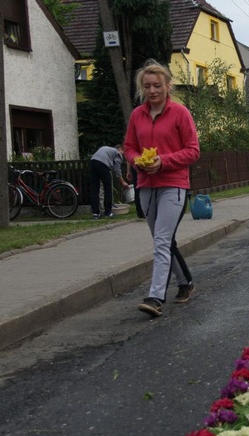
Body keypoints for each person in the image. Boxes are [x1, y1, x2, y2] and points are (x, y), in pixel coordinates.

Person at [123, 59, 200, 317]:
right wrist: (137, 161)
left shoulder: (180, 113)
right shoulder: (137, 115)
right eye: (147, 86)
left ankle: (155, 296)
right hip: (146, 185)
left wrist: (163, 161)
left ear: (167, 86)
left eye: (157, 85)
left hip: (174, 185)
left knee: (162, 240)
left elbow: (193, 150)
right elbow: (130, 147)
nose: (152, 90)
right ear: (141, 88)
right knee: (162, 240)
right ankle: (185, 282)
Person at [89, 144, 129, 219]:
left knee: (94, 190)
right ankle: (108, 212)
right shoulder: (117, 153)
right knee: (108, 189)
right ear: (120, 149)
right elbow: (117, 170)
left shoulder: (106, 148)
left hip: (92, 163)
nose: (123, 155)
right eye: (123, 152)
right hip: (103, 165)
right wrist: (123, 182)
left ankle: (96, 214)